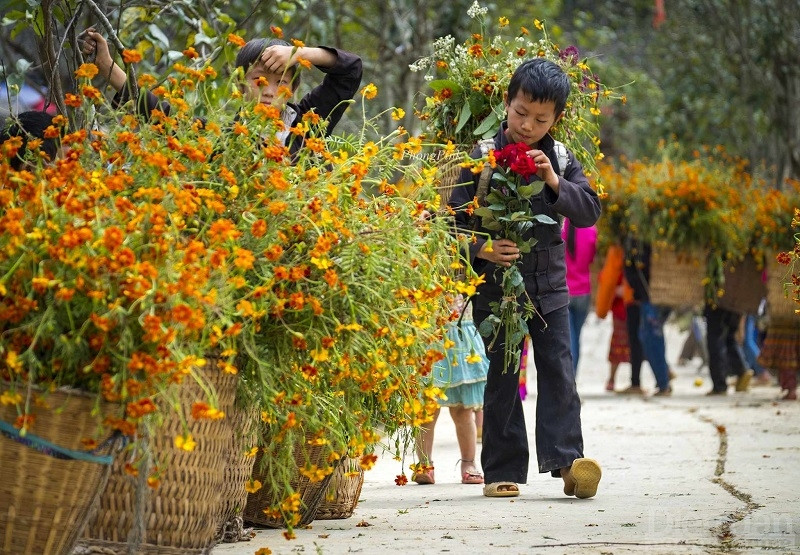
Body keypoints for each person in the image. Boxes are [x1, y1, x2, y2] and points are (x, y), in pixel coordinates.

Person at [449, 58, 602, 499]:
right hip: (497, 292)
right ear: (506, 103)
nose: (527, 126)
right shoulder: (479, 158)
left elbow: (590, 211)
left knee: (558, 372)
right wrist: (482, 249)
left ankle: (570, 464)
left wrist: (553, 180)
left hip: (550, 288)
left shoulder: (561, 159)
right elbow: (450, 223)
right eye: (520, 113)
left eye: (540, 118)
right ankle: (503, 469)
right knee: (501, 375)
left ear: (556, 118)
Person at [79, 30, 362, 152]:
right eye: (259, 79)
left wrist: (299, 53)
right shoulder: (220, 139)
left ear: (294, 89)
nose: (269, 91)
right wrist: (105, 65)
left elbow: (350, 71)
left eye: (281, 83)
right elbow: (159, 115)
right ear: (239, 84)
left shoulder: (309, 123)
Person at [414, 297, 488, 485]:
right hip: (428, 335)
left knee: (463, 411)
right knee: (427, 410)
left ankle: (469, 463)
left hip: (460, 336)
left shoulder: (464, 270)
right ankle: (424, 464)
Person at [621, 238, 673, 396]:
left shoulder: (638, 239)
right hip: (659, 292)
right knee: (653, 335)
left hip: (650, 294)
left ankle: (664, 381)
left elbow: (633, 266)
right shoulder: (656, 238)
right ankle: (664, 378)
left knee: (650, 336)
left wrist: (637, 290)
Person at [594, 243, 635, 392]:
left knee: (641, 343)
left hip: (632, 307)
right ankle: (612, 379)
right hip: (620, 310)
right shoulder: (617, 254)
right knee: (618, 344)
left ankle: (661, 372)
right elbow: (606, 278)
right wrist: (615, 290)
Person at [563, 218, 598, 377]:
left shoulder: (560, 229)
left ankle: (569, 380)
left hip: (564, 291)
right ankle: (572, 379)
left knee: (569, 338)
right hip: (584, 291)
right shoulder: (591, 229)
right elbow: (592, 259)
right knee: (576, 336)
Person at [703, 304, 753, 395]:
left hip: (717, 301)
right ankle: (742, 370)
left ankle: (719, 385)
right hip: (735, 302)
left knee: (715, 338)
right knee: (730, 336)